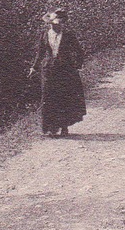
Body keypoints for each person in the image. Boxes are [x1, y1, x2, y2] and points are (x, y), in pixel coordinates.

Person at [29, 8, 86, 138]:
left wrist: (78, 65)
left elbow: (78, 51)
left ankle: (64, 127)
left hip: (65, 70)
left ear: (63, 23)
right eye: (54, 24)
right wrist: (34, 67)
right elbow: (40, 53)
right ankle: (50, 128)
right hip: (48, 70)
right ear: (50, 24)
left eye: (60, 24)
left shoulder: (68, 35)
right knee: (48, 97)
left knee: (63, 97)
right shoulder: (44, 35)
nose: (57, 26)